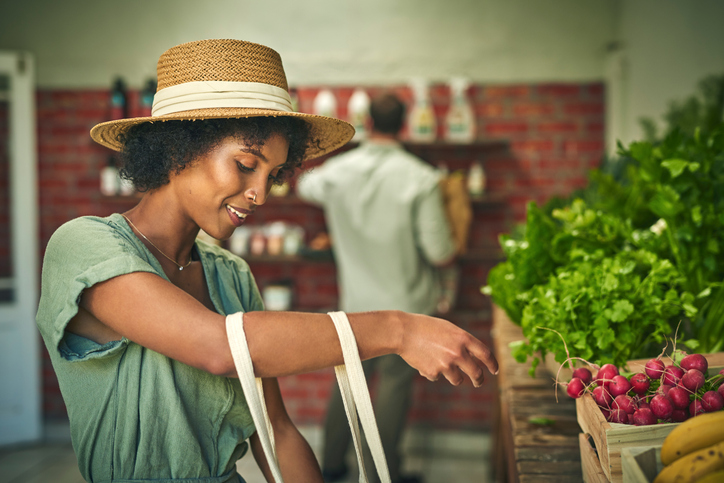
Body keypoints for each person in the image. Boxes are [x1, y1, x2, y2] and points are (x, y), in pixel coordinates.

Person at [36, 39, 498, 483]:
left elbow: (274, 429)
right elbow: (219, 347)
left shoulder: (230, 274)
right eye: (244, 164)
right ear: (178, 150)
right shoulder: (83, 246)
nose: (260, 194)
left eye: (273, 174)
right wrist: (400, 329)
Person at [296, 92, 456, 483]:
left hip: (354, 304)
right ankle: (385, 474)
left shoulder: (336, 173)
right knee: (394, 390)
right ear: (403, 124)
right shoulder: (421, 178)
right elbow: (439, 253)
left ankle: (331, 465)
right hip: (407, 306)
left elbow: (303, 187)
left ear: (366, 122)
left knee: (348, 384)